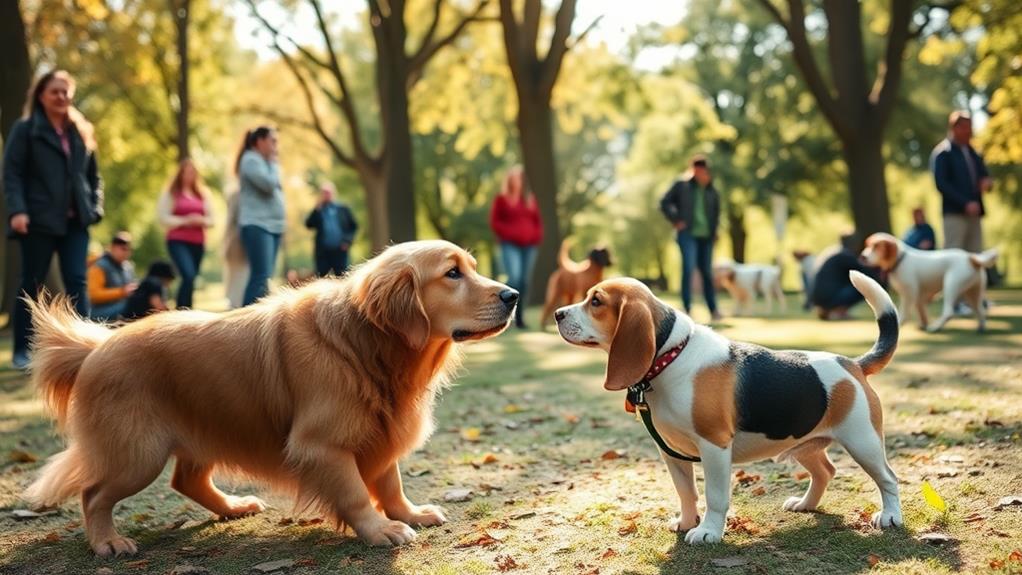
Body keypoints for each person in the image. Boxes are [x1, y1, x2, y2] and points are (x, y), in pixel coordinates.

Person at [2, 70, 103, 369]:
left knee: (77, 280)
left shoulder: (81, 130)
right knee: (31, 284)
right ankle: (23, 350)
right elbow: (12, 174)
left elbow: (94, 177)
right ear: (41, 96)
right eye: (54, 91)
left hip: (76, 222)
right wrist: (17, 210)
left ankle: (86, 349)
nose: (61, 97)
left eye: (66, 91)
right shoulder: (26, 130)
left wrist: (94, 207)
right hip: (38, 220)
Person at [659, 154, 722, 321]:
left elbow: (716, 213)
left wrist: (715, 231)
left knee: (707, 272)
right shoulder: (682, 185)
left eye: (702, 170)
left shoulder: (711, 190)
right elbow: (664, 202)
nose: (699, 173)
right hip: (687, 234)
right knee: (688, 269)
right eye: (696, 169)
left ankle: (714, 310)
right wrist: (676, 220)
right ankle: (686, 308)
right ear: (692, 169)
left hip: (706, 236)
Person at [235, 126, 285, 306]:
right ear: (260, 141)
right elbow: (269, 185)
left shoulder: (264, 162)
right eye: (273, 141)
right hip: (258, 225)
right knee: (260, 276)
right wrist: (273, 163)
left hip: (273, 226)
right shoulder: (251, 160)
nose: (275, 146)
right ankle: (243, 323)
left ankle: (254, 323)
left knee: (265, 278)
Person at [156, 158, 214, 309]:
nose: (190, 175)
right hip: (177, 241)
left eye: (193, 172)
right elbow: (163, 218)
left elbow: (212, 220)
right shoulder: (171, 193)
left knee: (192, 278)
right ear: (180, 174)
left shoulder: (203, 194)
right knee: (187, 275)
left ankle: (188, 311)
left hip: (198, 242)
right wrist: (184, 221)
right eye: (187, 172)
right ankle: (181, 310)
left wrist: (201, 220)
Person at [931, 111, 992, 253]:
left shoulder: (973, 153)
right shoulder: (943, 153)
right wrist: (965, 203)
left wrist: (987, 183)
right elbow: (942, 184)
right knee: (954, 254)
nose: (969, 131)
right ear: (954, 128)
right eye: (965, 127)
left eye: (970, 127)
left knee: (975, 256)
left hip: (975, 214)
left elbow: (984, 176)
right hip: (954, 214)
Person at [490, 166, 542, 329]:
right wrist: (510, 233)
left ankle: (519, 318)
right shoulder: (502, 199)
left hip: (529, 246)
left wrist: (534, 236)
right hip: (510, 245)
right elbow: (495, 221)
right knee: (515, 278)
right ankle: (502, 313)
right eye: (514, 177)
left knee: (525, 282)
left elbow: (537, 222)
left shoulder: (529, 199)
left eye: (520, 177)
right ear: (509, 180)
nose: (517, 180)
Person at [811, 233, 884, 321]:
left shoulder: (832, 251)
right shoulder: (844, 255)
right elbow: (864, 272)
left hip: (818, 297)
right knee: (863, 284)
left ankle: (827, 310)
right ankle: (838, 311)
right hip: (830, 297)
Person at [305, 181, 358, 276]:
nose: (326, 195)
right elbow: (309, 225)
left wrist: (347, 241)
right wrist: (316, 210)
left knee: (343, 276)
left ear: (333, 193)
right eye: (324, 193)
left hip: (340, 251)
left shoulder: (343, 209)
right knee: (321, 277)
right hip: (323, 252)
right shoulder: (318, 210)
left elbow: (353, 226)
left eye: (328, 192)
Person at [88, 232, 136, 321]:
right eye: (123, 249)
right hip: (98, 312)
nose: (126, 252)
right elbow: (93, 295)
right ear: (113, 247)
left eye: (128, 249)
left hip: (119, 307)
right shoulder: (100, 265)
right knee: (131, 306)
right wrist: (121, 292)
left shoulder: (128, 267)